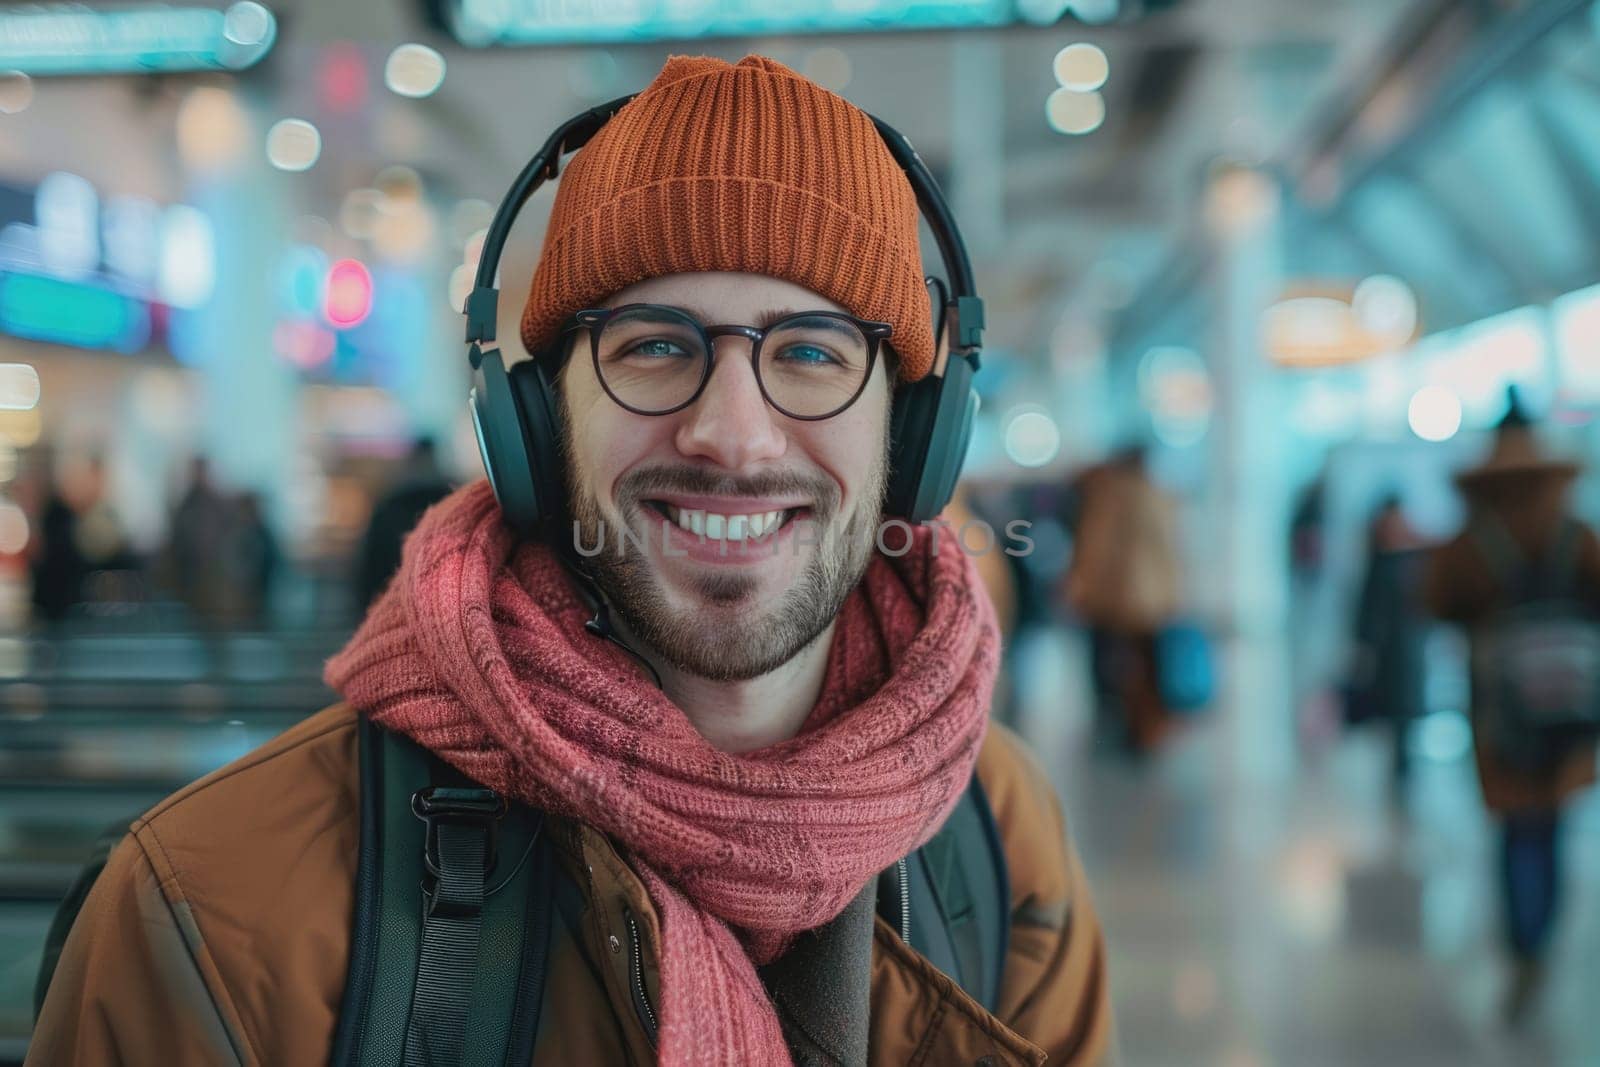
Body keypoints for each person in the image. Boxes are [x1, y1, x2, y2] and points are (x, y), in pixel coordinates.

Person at [29, 55, 1116, 1066]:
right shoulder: (217, 906)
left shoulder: (995, 832)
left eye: (811, 353)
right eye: (652, 344)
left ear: (914, 433)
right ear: (537, 423)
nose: (733, 435)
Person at [1423, 393, 1599, 1024]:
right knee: (1551, 824)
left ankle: (1523, 942)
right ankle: (1543, 935)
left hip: (1498, 711)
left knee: (1512, 828)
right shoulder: (1574, 532)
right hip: (1569, 705)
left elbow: (1437, 601)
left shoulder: (1471, 539)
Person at [1064, 445, 1184, 755]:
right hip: (1153, 600)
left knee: (1112, 667)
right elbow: (1173, 552)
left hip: (1115, 598)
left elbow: (1096, 548)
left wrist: (1079, 586)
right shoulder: (1159, 495)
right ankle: (1146, 729)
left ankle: (1123, 727)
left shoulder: (1110, 496)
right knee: (1146, 667)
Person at [1346, 493, 1429, 793]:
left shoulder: (1414, 555)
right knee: (1394, 709)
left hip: (1409, 646)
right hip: (1388, 649)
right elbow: (1366, 607)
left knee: (1406, 709)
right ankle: (1399, 768)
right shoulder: (1380, 558)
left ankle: (1404, 768)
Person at [354, 436, 455, 610]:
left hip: (389, 602)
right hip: (441, 604)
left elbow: (368, 570)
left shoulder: (388, 504)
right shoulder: (452, 500)